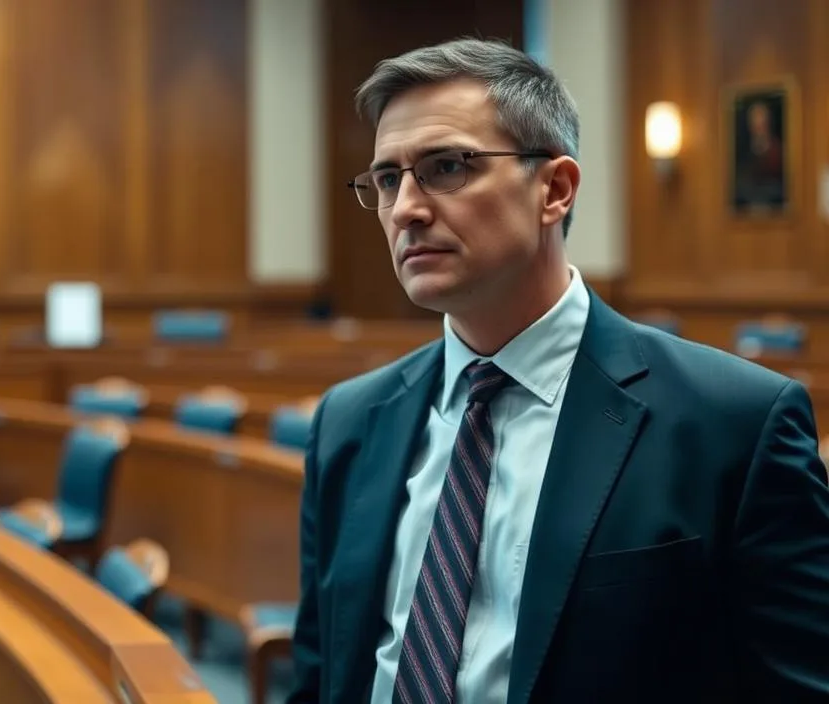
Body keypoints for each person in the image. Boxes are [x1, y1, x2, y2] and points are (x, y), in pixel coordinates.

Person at [287, 37, 829, 703]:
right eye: (388, 179)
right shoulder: (348, 422)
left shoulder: (734, 425)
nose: (406, 210)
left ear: (555, 189)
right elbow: (318, 678)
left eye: (447, 167)